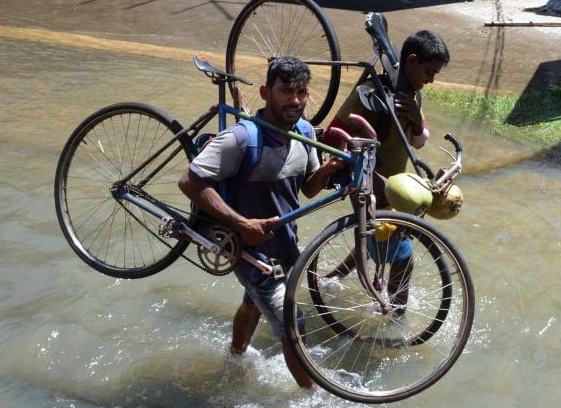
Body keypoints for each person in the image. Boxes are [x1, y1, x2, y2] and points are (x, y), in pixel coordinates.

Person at [178, 55, 346, 389]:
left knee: (252, 302)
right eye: (286, 91)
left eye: (301, 93)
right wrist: (241, 224)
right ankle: (319, 400)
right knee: (292, 323)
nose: (295, 100)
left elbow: (308, 187)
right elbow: (189, 182)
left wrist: (328, 169)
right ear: (266, 91)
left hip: (283, 244)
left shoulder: (303, 132)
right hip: (248, 248)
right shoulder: (242, 138)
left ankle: (235, 356)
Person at [321, 29, 450, 310]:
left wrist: (416, 120)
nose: (430, 80)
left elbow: (416, 143)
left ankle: (329, 279)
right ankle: (394, 318)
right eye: (429, 72)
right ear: (411, 61)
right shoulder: (370, 93)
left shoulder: (412, 97)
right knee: (403, 257)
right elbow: (333, 135)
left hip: (394, 186)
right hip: (369, 183)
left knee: (378, 239)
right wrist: (363, 167)